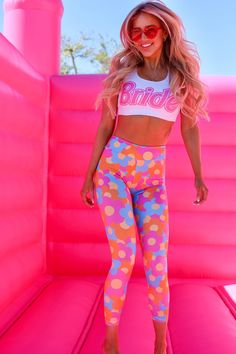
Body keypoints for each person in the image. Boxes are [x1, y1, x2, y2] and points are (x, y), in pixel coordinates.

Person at [80, 1, 209, 353]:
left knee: (157, 263)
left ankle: (158, 345)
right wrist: (90, 173)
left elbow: (190, 128)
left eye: (149, 30)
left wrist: (199, 175)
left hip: (153, 177)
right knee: (123, 257)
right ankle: (110, 340)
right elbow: (106, 125)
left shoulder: (180, 79)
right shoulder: (123, 75)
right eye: (135, 32)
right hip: (114, 172)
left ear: (165, 32)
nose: (142, 38)